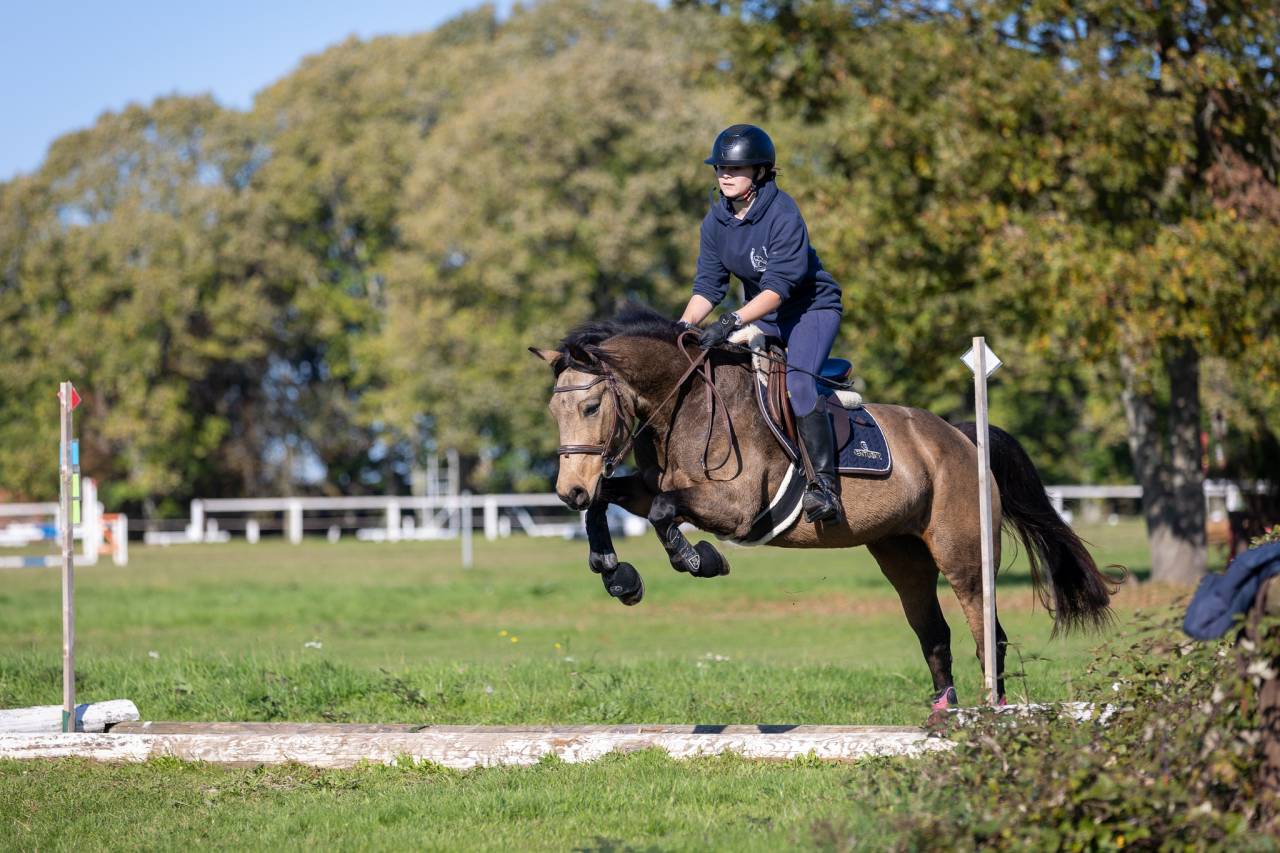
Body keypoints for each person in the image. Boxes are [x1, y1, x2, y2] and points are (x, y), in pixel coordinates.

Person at [677, 124, 845, 524]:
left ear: (760, 172)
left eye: (736, 168)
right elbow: (708, 287)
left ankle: (825, 488)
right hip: (762, 314)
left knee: (799, 383)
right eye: (721, 168)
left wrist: (731, 320)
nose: (725, 175)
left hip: (809, 310)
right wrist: (680, 327)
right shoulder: (716, 221)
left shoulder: (783, 214)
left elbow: (778, 288)